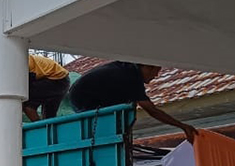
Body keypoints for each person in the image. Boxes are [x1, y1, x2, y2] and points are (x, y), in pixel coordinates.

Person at [69, 61, 197, 142]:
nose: (156, 76)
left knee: (129, 106)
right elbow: (153, 111)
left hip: (82, 95)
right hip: (84, 100)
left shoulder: (127, 68)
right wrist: (182, 126)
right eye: (156, 71)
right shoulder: (131, 78)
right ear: (147, 67)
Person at [23, 54, 70, 122]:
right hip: (60, 79)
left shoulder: (21, 65)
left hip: (56, 79)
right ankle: (47, 129)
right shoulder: (22, 59)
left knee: (28, 105)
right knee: (49, 117)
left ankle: (40, 128)